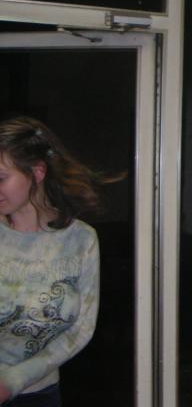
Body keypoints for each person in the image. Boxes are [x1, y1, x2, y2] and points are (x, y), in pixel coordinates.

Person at [0, 116, 113, 406]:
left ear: (37, 172)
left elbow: (81, 329)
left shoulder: (81, 240)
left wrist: (14, 380)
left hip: (41, 394)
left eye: (1, 178)